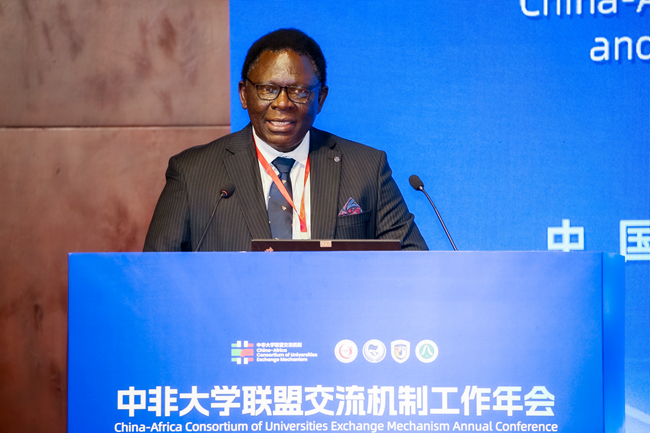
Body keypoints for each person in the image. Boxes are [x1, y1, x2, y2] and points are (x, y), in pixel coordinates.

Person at [144, 28, 428, 252]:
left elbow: (413, 261)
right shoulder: (192, 173)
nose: (282, 103)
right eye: (268, 89)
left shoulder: (366, 168)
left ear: (321, 98)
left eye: (299, 92)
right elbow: (156, 275)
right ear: (244, 94)